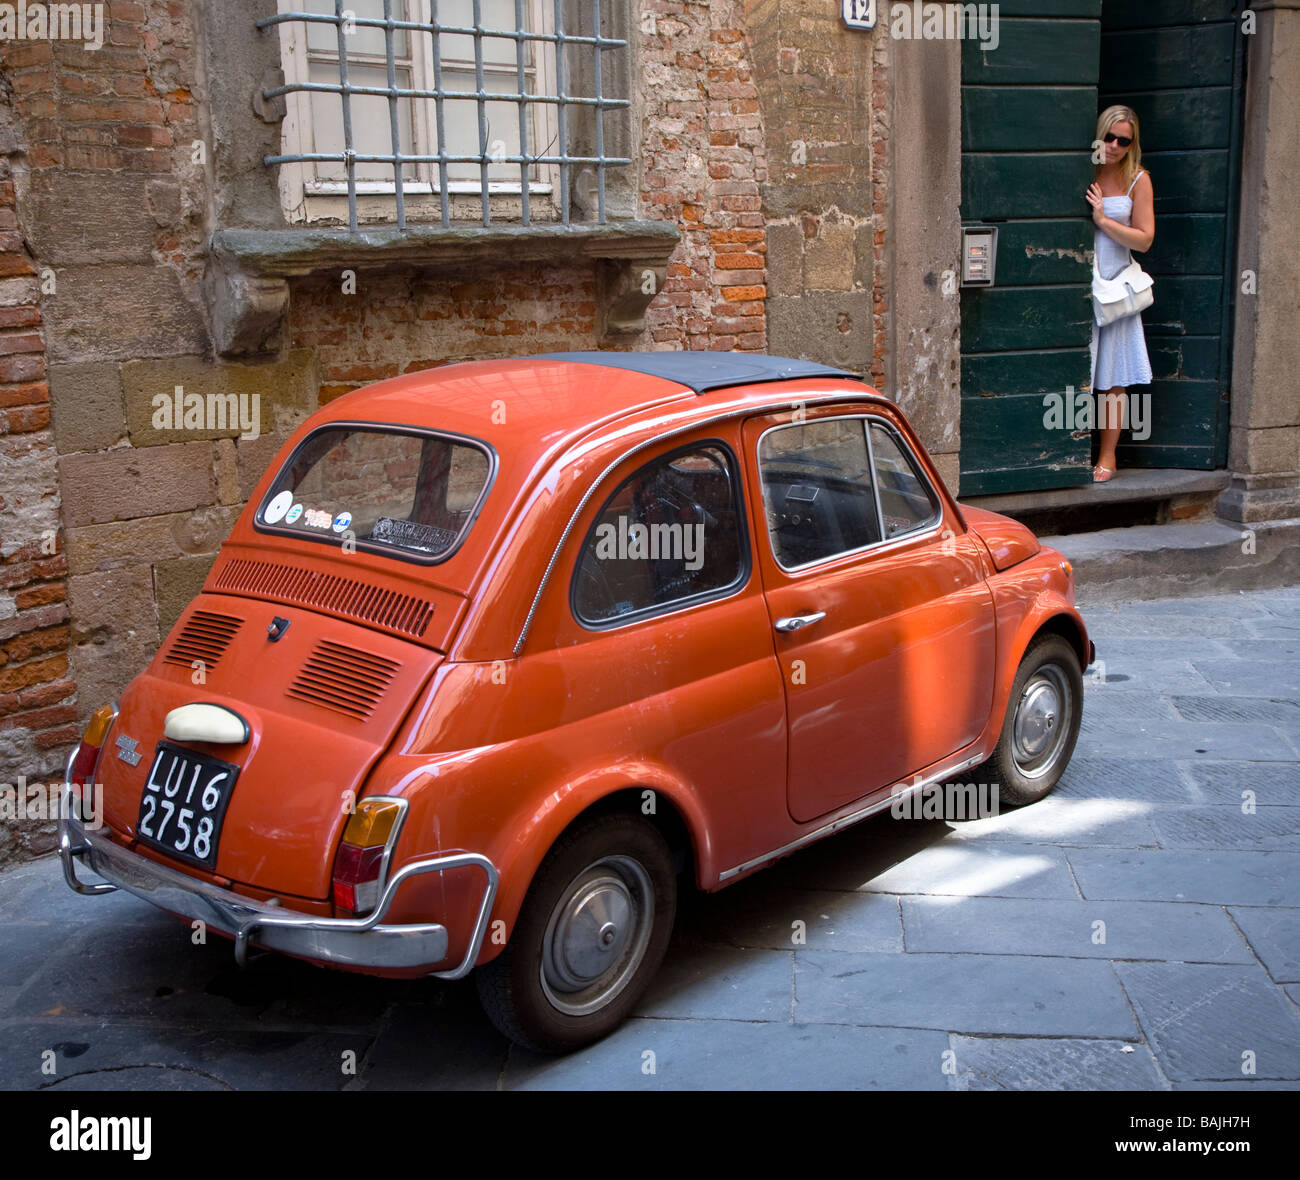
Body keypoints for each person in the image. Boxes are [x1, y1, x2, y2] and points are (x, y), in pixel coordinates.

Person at [1085, 105, 1154, 483]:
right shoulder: (1085, 170)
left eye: (1123, 140)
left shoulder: (1137, 179)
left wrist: (1104, 221)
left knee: (1114, 377)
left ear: (1132, 144)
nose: (1113, 145)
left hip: (1115, 289)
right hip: (1083, 283)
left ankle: (1107, 455)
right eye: (1109, 136)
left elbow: (1145, 239)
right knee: (1080, 369)